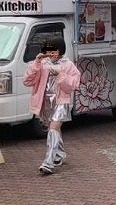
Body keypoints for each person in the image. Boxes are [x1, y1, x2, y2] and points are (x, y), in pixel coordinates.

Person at [23, 37, 81, 175]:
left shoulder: (68, 65)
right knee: (52, 128)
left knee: (53, 129)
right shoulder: (42, 64)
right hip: (46, 102)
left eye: (53, 50)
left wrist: (60, 74)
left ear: (60, 50)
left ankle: (48, 161)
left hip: (61, 101)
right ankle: (59, 154)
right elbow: (27, 80)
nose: (50, 53)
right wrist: (36, 63)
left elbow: (74, 84)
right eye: (47, 50)